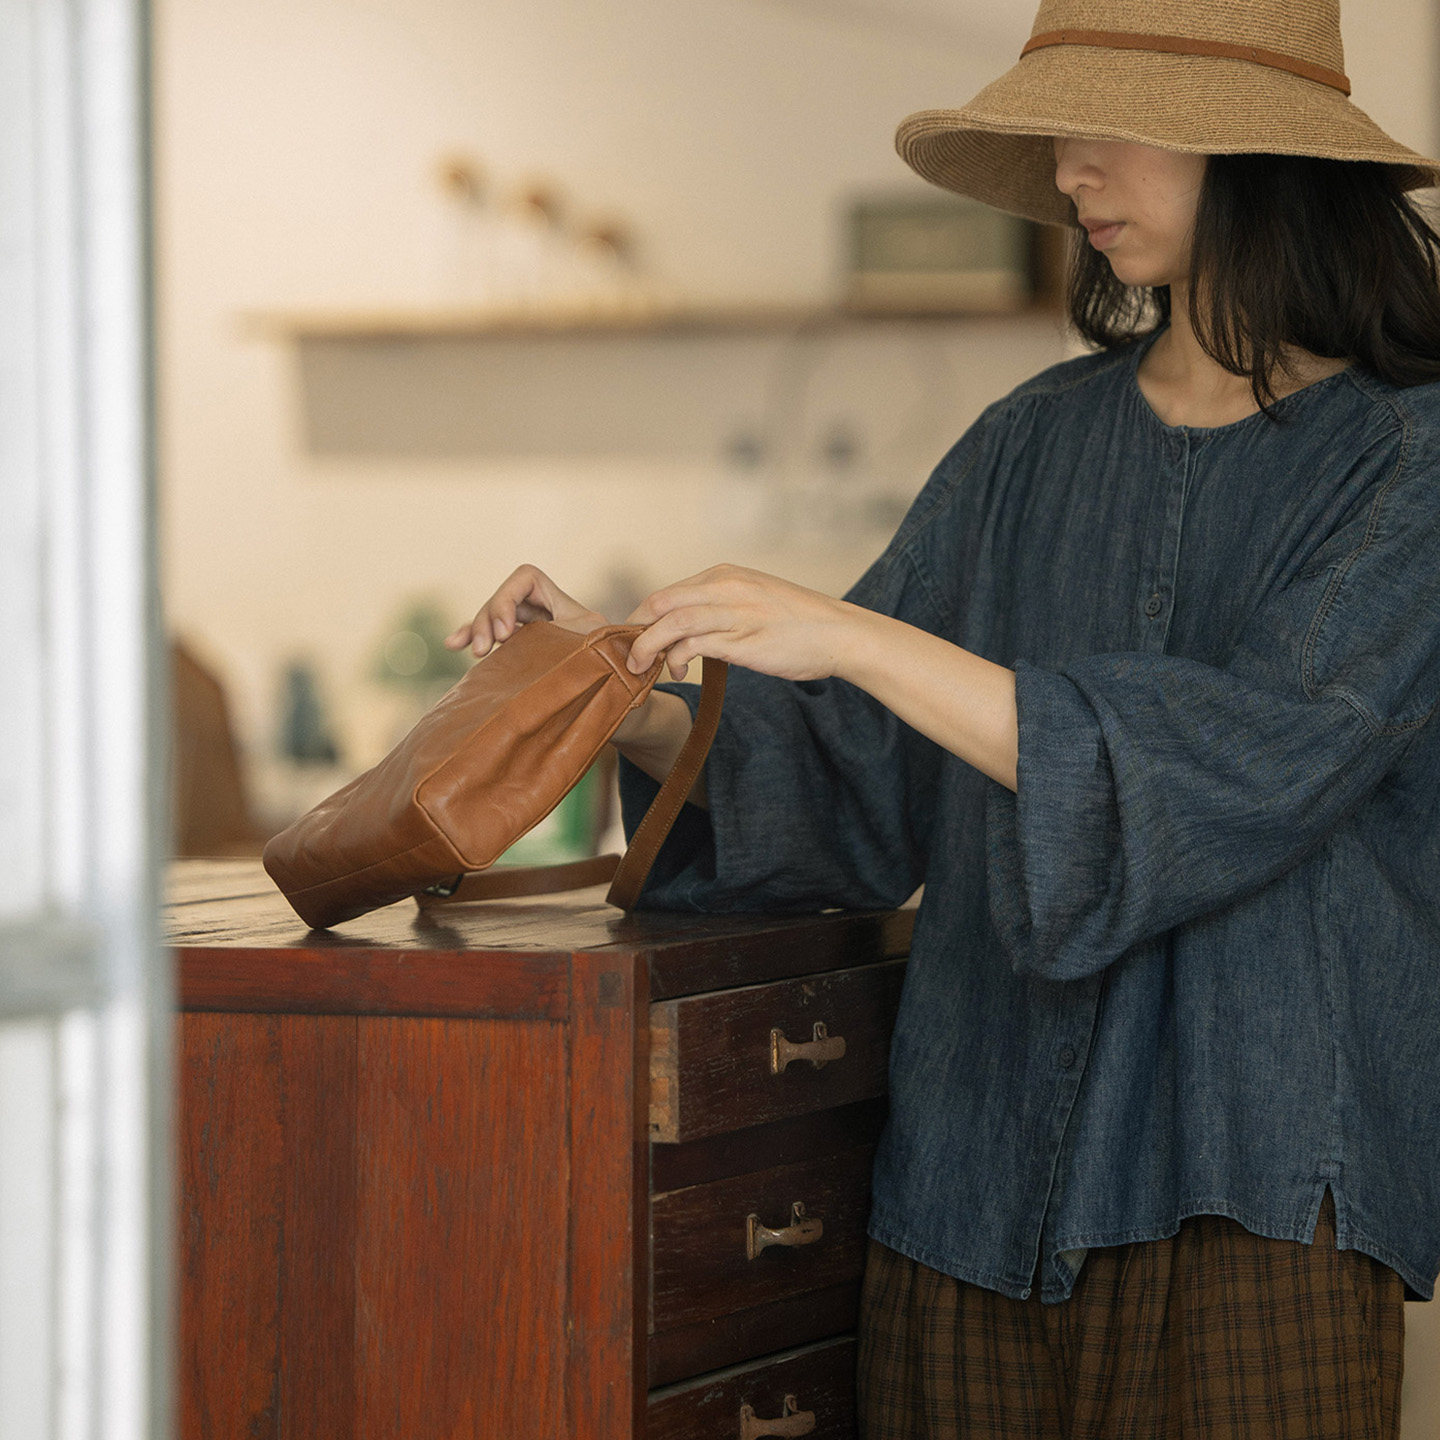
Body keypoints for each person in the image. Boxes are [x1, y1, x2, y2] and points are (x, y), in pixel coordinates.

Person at [447, 2, 1440, 1434]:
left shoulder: (1408, 459)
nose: (1070, 175)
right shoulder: (1027, 442)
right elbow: (866, 775)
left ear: (1257, 152)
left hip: (1256, 1198)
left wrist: (851, 634)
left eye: (1111, 133)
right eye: (1060, 138)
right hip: (966, 1193)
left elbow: (1245, 757)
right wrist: (618, 702)